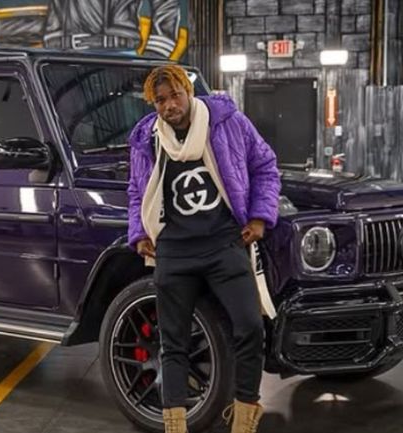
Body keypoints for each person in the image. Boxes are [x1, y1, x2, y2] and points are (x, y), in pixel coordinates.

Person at [126, 65, 280, 433]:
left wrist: (260, 217)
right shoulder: (147, 138)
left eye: (175, 95)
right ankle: (175, 427)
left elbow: (265, 166)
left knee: (250, 327)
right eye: (160, 100)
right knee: (173, 343)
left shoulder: (228, 122)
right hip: (173, 251)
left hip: (224, 243)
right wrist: (139, 232)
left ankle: (244, 420)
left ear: (189, 91)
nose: (169, 105)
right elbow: (136, 190)